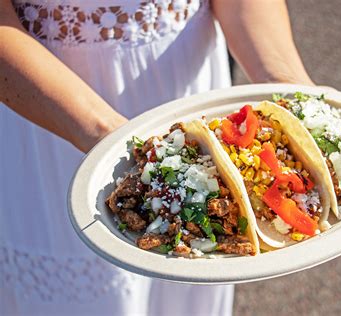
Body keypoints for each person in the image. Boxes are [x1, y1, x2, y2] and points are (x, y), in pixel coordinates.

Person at [0, 0, 315, 315]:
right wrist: (115, 141)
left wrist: (284, 83)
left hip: (189, 90)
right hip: (51, 107)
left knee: (194, 273)